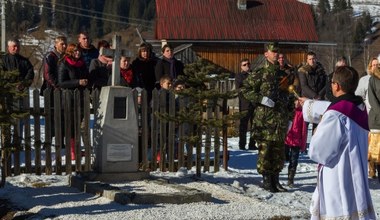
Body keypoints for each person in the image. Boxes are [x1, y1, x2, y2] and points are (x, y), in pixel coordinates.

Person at [300, 66, 375, 219]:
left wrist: (316, 132)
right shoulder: (359, 106)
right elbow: (336, 107)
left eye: (332, 82)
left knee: (340, 211)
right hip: (356, 173)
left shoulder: (335, 115)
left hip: (338, 174)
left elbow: (319, 152)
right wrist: (309, 104)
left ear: (336, 86)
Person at [241, 42, 294, 193]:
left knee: (278, 151)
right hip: (265, 120)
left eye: (278, 51)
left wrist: (290, 117)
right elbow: (245, 89)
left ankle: (276, 180)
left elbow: (289, 97)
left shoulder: (284, 75)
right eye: (273, 51)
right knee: (266, 150)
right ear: (266, 54)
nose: (277, 54)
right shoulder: (259, 73)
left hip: (280, 119)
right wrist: (260, 99)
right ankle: (266, 180)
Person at [279, 53, 307, 188]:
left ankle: (291, 177)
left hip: (296, 138)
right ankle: (278, 176)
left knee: (294, 159)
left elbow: (303, 128)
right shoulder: (286, 109)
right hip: (286, 136)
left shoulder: (301, 112)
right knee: (283, 157)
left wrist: (303, 142)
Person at [57, 43, 89, 160]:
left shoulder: (82, 64)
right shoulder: (64, 63)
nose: (78, 53)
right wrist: (77, 82)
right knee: (70, 125)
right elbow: (61, 83)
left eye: (79, 51)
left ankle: (77, 149)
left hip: (80, 97)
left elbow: (87, 76)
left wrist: (86, 81)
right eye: (75, 51)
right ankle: (71, 151)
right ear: (70, 52)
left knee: (78, 125)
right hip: (68, 98)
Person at [2, 38, 35, 139]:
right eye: (14, 46)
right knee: (6, 119)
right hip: (6, 95)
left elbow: (30, 73)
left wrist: (23, 84)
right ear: (8, 48)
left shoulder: (24, 61)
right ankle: (6, 141)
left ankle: (18, 140)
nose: (16, 48)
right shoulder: (3, 60)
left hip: (20, 94)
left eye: (18, 46)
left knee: (19, 119)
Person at [40, 35, 67, 147]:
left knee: (62, 116)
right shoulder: (50, 57)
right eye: (62, 44)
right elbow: (47, 74)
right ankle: (48, 141)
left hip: (62, 91)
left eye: (65, 43)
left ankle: (61, 141)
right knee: (50, 116)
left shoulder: (66, 57)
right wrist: (57, 85)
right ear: (56, 45)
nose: (64, 46)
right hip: (51, 91)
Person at [356, 57, 378, 179]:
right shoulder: (365, 80)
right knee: (371, 144)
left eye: (377, 65)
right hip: (369, 115)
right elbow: (358, 96)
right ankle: (372, 168)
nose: (375, 67)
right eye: (373, 65)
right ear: (370, 67)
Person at [235, 58, 256, 150]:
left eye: (248, 64)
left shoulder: (254, 75)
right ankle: (242, 145)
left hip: (255, 103)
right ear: (241, 67)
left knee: (255, 125)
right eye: (244, 64)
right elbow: (239, 90)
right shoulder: (239, 76)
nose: (247, 66)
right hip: (245, 104)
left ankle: (252, 144)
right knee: (243, 125)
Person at [367, 63, 380, 183]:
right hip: (377, 119)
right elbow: (372, 99)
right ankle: (373, 170)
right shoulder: (373, 79)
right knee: (376, 152)